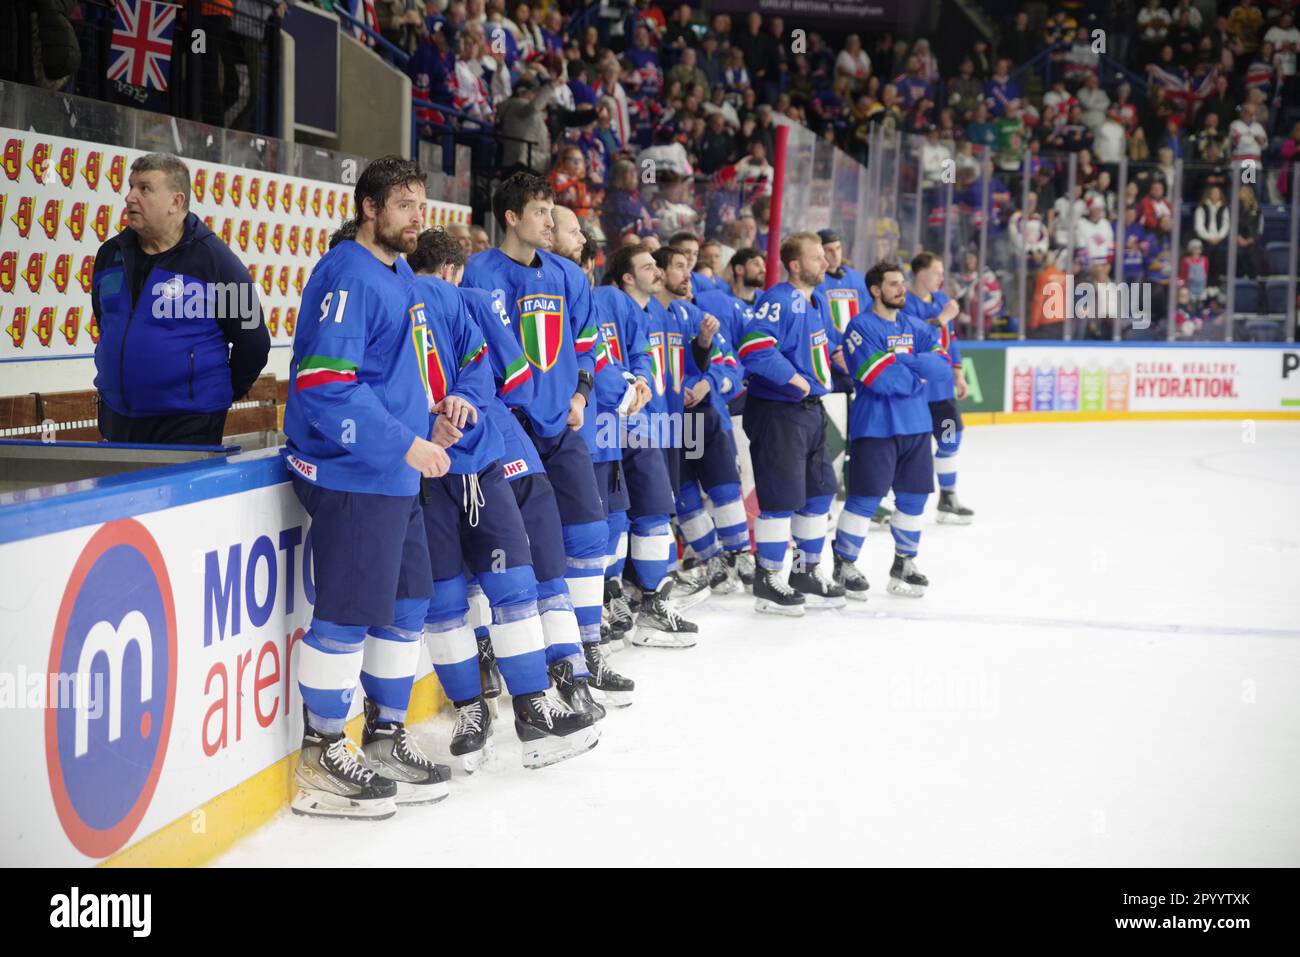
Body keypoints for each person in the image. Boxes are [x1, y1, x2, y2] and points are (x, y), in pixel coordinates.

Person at [282, 157, 450, 820]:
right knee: (348, 613)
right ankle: (323, 751)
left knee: (406, 602)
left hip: (397, 474)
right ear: (369, 208)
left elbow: (397, 368)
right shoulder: (348, 274)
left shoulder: (401, 272)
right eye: (405, 204)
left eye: (421, 203)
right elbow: (324, 385)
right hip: (356, 473)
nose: (418, 216)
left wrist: (432, 413)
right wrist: (401, 441)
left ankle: (382, 736)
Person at [407, 227, 605, 767]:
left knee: (446, 603)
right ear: (452, 269)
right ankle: (534, 707)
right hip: (480, 458)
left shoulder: (386, 297)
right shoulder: (467, 298)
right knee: (516, 586)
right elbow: (517, 375)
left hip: (417, 475)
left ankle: (472, 712)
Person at [93, 153, 269, 446]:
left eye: (144, 188)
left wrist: (220, 391)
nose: (129, 197)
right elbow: (105, 320)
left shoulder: (218, 262)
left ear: (176, 202)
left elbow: (254, 340)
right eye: (131, 186)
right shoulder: (110, 255)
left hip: (188, 421)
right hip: (117, 416)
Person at [598, 244, 704, 645]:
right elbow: (599, 358)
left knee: (654, 512)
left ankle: (650, 602)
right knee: (616, 517)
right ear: (627, 276)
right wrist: (628, 388)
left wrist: (639, 381)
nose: (657, 271)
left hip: (646, 422)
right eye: (648, 266)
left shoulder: (642, 312)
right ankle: (612, 600)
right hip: (612, 424)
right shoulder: (608, 299)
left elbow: (643, 356)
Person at [738, 232, 848, 615]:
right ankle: (767, 579)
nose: (825, 262)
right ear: (796, 265)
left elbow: (826, 347)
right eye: (817, 257)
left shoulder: (815, 302)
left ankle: (805, 571)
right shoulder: (779, 300)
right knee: (780, 500)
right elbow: (753, 348)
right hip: (779, 414)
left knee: (819, 493)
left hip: (812, 412)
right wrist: (793, 378)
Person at [831, 263, 951, 600]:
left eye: (903, 283)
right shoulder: (860, 327)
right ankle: (844, 563)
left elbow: (940, 367)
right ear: (875, 289)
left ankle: (904, 563)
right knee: (865, 499)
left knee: (914, 499)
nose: (902, 289)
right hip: (876, 426)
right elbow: (880, 380)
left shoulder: (915, 325)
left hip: (916, 425)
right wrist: (916, 367)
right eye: (894, 284)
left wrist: (899, 361)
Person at [900, 252, 974, 525]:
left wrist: (958, 372)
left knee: (950, 438)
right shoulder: (904, 303)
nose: (942, 278)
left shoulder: (942, 300)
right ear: (920, 273)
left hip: (941, 391)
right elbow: (913, 336)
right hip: (914, 392)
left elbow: (950, 338)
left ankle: (948, 497)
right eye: (936, 272)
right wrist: (942, 318)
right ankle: (890, 502)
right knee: (905, 449)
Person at [815, 229, 872, 335]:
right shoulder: (814, 281)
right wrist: (833, 348)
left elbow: (868, 313)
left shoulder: (856, 278)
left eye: (838, 248)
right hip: (828, 347)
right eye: (829, 250)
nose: (835, 255)